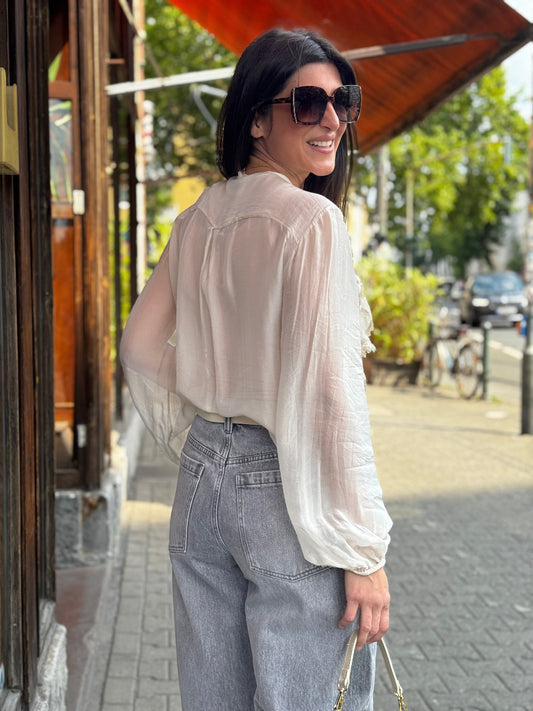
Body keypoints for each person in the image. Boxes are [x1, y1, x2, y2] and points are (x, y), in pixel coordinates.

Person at [120, 27, 392, 711]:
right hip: (284, 489)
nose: (332, 120)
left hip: (201, 484)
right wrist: (364, 553)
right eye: (308, 103)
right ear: (256, 119)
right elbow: (330, 397)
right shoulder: (311, 221)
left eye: (342, 101)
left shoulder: (196, 219)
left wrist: (204, 427)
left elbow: (140, 347)